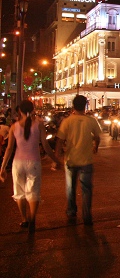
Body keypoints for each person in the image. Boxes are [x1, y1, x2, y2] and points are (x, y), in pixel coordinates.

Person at [0, 100, 60, 232]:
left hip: (18, 163)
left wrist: (2, 167)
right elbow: (45, 146)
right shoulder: (38, 125)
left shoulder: (14, 127)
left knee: (19, 192)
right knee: (33, 193)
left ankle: (24, 219)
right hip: (34, 162)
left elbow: (9, 148)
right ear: (32, 110)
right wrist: (55, 159)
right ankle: (32, 219)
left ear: (19, 111)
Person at [55, 95, 102, 226]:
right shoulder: (91, 121)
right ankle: (87, 216)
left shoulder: (67, 121)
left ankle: (71, 211)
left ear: (73, 106)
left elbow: (59, 140)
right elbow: (97, 137)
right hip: (86, 160)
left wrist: (56, 158)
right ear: (85, 105)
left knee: (70, 188)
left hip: (70, 160)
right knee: (86, 189)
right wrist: (95, 147)